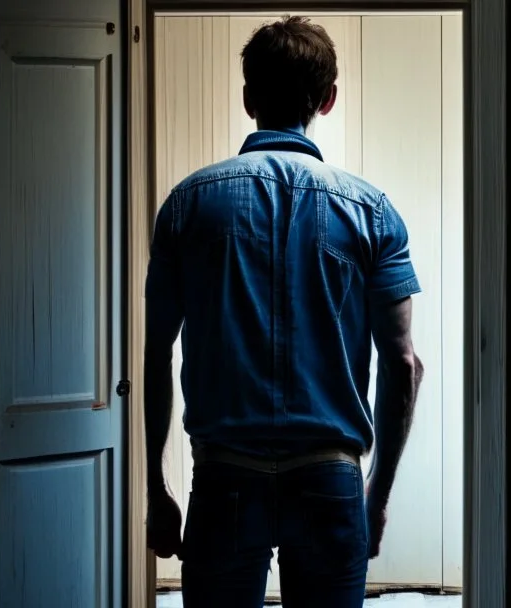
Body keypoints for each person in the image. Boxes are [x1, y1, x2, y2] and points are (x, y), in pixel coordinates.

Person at [143, 15, 424, 608]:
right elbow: (402, 364)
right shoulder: (371, 212)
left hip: (224, 474)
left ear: (249, 99)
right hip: (328, 474)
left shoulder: (187, 206)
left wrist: (156, 490)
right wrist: (377, 495)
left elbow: (156, 349)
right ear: (327, 99)